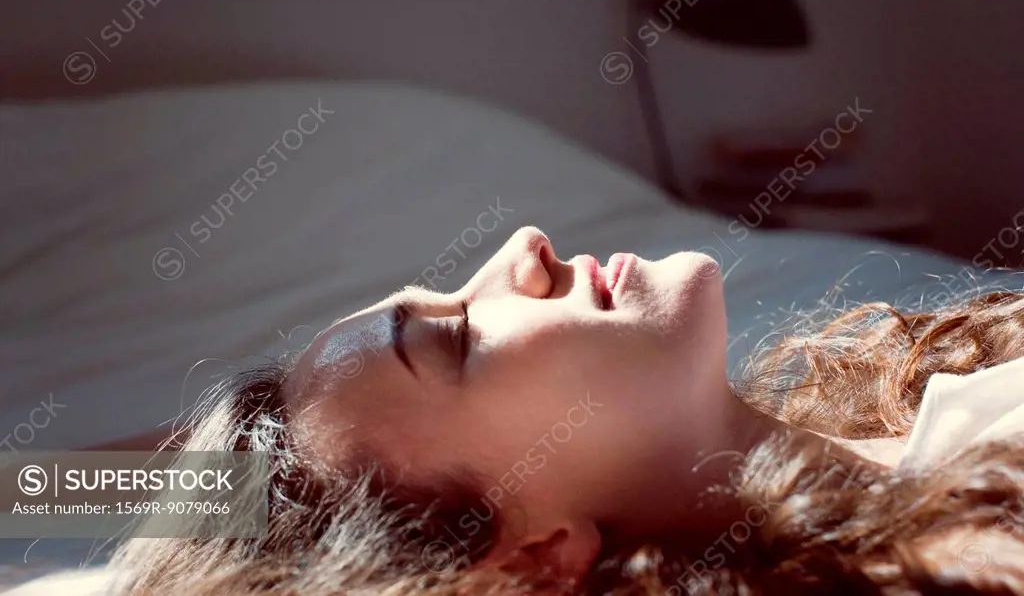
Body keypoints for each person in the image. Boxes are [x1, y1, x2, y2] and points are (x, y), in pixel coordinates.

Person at [111, 226, 1024, 595]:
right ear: (538, 557)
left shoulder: (926, 386)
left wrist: (26, 480)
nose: (523, 246)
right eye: (459, 335)